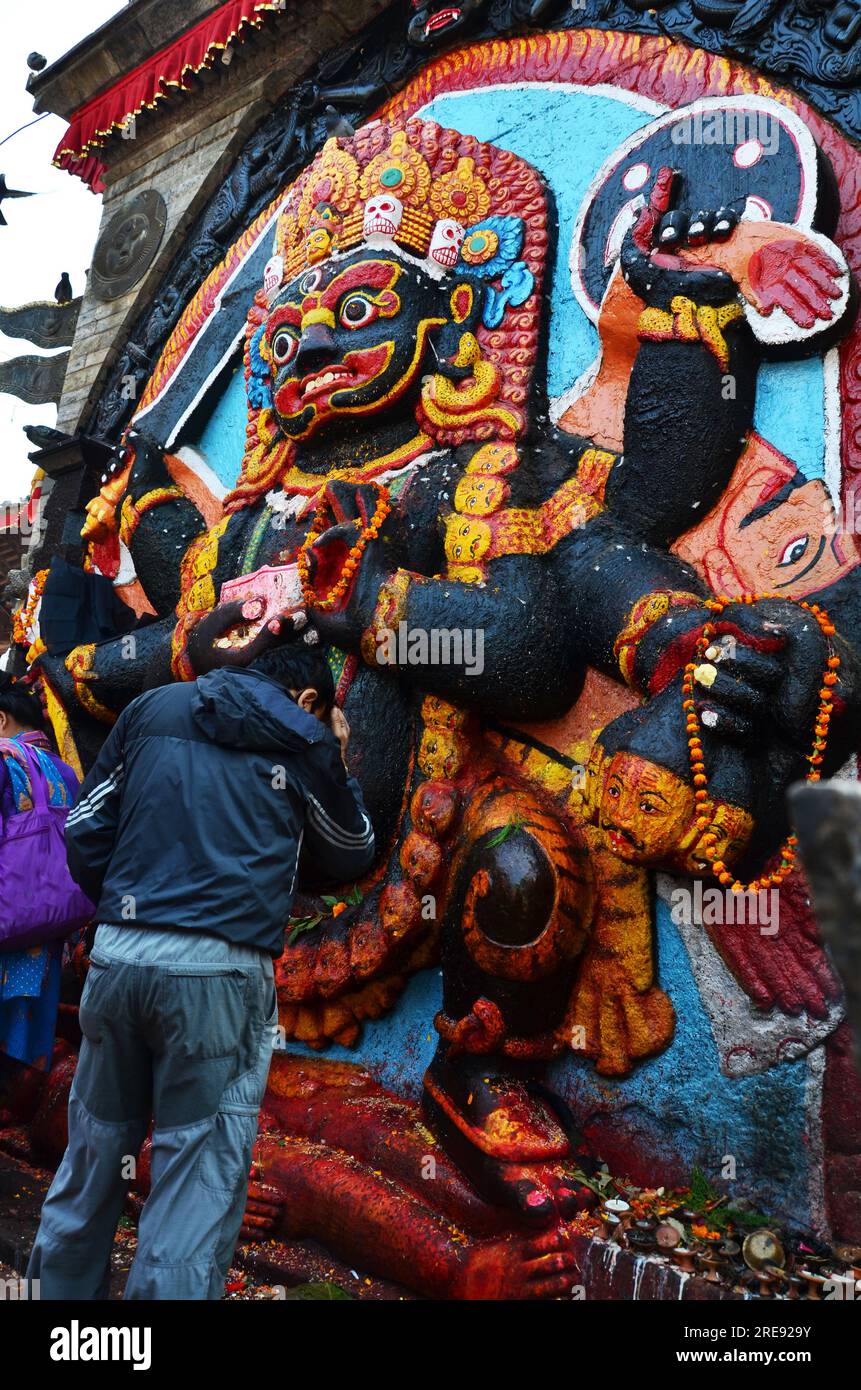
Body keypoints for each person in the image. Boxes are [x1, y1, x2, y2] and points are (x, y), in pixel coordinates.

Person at [27, 640, 374, 1300]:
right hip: (221, 972)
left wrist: (133, 903)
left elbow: (85, 828)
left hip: (121, 957)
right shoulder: (304, 736)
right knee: (195, 1185)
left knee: (93, 1157)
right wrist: (338, 754)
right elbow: (352, 848)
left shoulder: (153, 706)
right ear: (307, 699)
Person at [0, 675, 81, 1074]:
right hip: (45, 927)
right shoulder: (65, 772)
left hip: (4, 922)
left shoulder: (3, 761)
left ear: (1, 720)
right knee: (23, 1036)